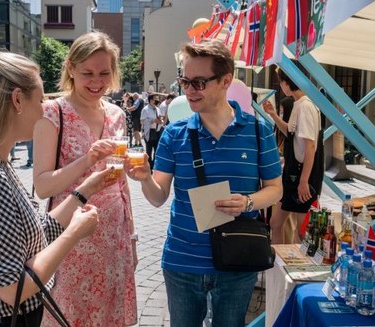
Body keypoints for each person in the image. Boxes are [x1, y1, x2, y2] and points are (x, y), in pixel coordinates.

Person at [0, 50, 116, 327]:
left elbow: (40, 232)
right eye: (39, 99)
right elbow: (13, 289)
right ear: (17, 100)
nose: (43, 109)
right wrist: (76, 232)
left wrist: (85, 189)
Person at [125, 39, 282, 327]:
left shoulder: (259, 132)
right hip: (182, 260)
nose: (188, 91)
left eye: (198, 83)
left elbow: (275, 189)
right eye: (185, 81)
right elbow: (159, 197)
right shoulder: (174, 134)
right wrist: (146, 178)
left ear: (225, 81)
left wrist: (248, 202)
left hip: (238, 259)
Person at [33, 31, 138, 327]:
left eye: (105, 73)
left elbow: (120, 183)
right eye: (87, 73)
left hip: (115, 235)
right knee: (71, 316)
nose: (96, 82)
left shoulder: (117, 114)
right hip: (72, 239)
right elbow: (43, 186)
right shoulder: (53, 113)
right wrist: (87, 160)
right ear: (70, 68)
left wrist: (131, 237)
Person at [262, 67, 324, 244]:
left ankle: (297, 268)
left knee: (302, 230)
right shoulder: (299, 104)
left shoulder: (305, 106)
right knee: (275, 223)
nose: (281, 86)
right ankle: (279, 265)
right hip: (293, 175)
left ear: (286, 82)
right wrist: (273, 115)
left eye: (281, 81)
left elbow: (310, 146)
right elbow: (290, 133)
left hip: (302, 175)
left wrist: (304, 181)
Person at [140, 94, 163, 169]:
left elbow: (160, 119)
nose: (155, 101)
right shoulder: (145, 109)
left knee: (157, 151)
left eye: (156, 99)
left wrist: (160, 121)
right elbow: (142, 121)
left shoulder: (157, 109)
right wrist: (152, 120)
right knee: (149, 151)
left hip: (157, 131)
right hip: (149, 132)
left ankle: (154, 166)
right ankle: (148, 166)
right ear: (150, 100)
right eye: (154, 99)